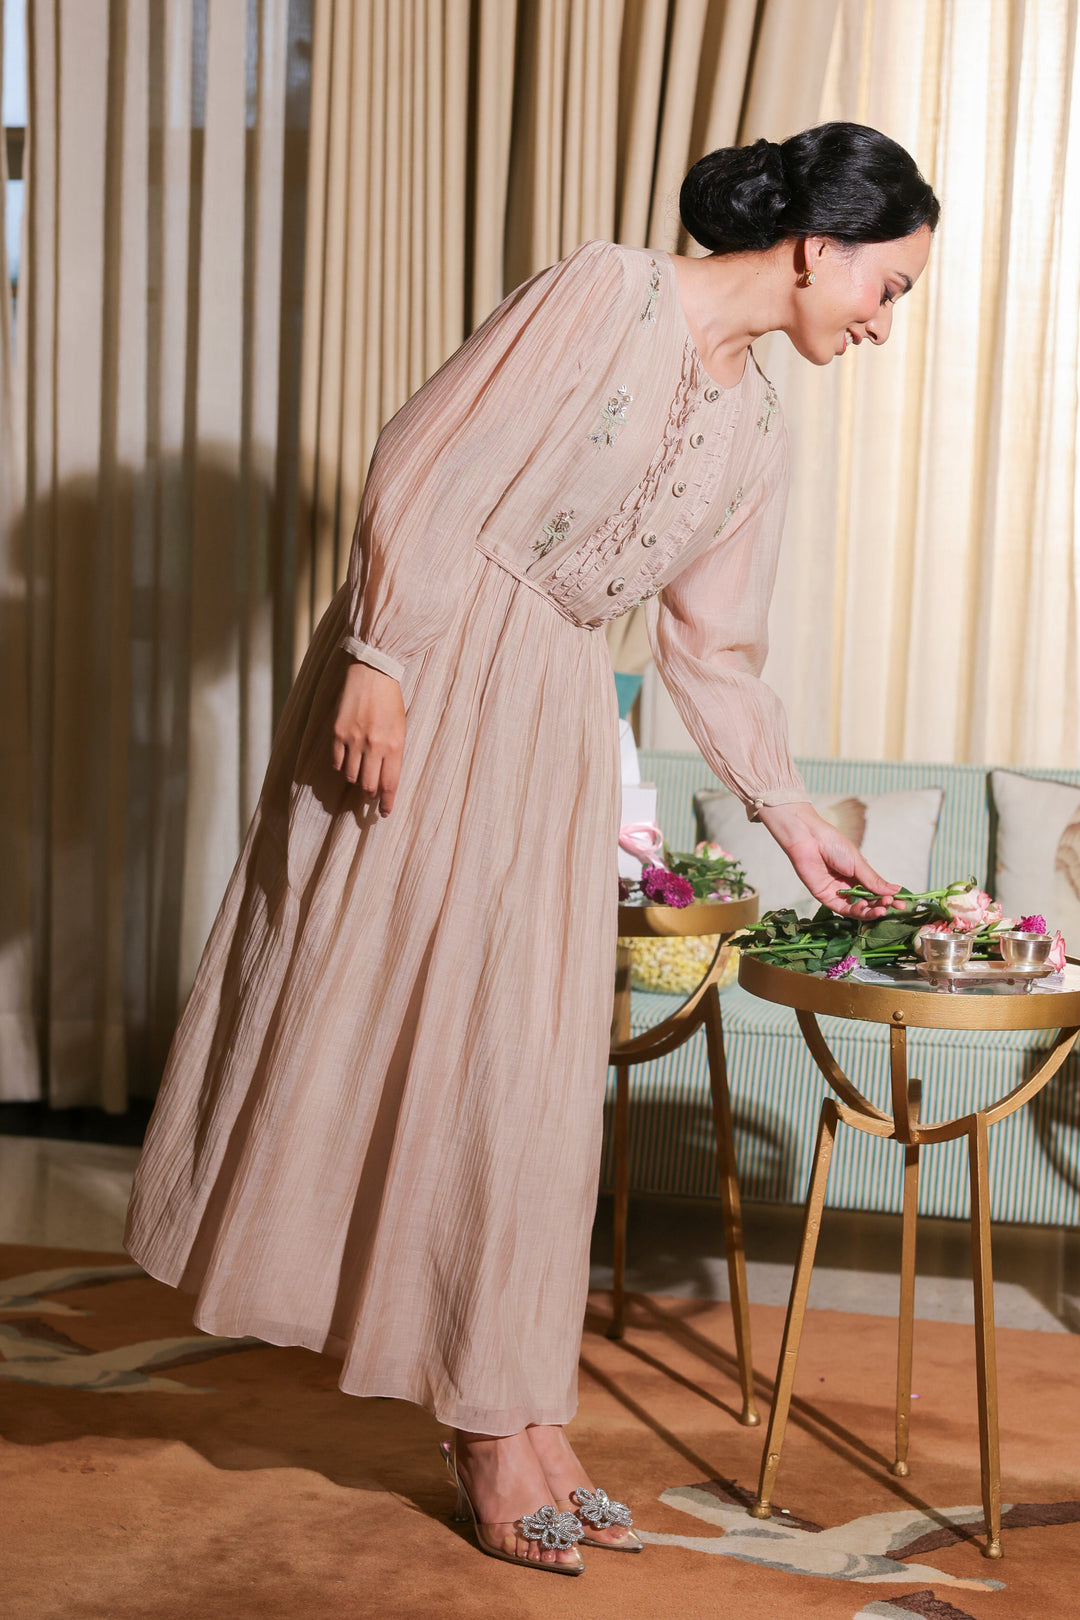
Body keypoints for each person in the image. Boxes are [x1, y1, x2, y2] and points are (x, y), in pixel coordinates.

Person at [124, 122, 940, 1574]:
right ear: (820, 248)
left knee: (525, 1068)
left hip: (555, 708)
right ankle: (491, 1420)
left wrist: (790, 811)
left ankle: (509, 1402)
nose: (885, 322)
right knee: (392, 1021)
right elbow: (424, 459)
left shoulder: (759, 427)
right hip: (429, 671)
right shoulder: (606, 291)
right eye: (890, 287)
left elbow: (713, 648)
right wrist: (380, 654)